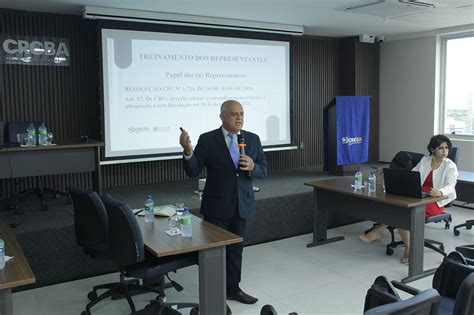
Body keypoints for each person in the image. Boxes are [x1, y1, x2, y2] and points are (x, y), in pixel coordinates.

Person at [179, 100, 268, 306]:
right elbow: (193, 170)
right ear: (222, 117)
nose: (239, 118)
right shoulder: (208, 139)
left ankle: (233, 289)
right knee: (214, 254)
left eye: (242, 114)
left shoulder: (252, 139)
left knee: (236, 251)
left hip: (242, 205)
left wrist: (254, 166)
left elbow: (264, 169)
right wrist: (187, 151)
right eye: (234, 114)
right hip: (216, 206)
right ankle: (214, 293)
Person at [359, 135, 458, 264]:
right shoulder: (425, 161)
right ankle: (406, 246)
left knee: (405, 213)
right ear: (433, 150)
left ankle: (386, 235)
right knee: (399, 207)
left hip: (435, 200)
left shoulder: (450, 166)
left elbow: (451, 185)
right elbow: (411, 175)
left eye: (446, 148)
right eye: (441, 148)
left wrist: (440, 191)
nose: (444, 151)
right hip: (418, 195)